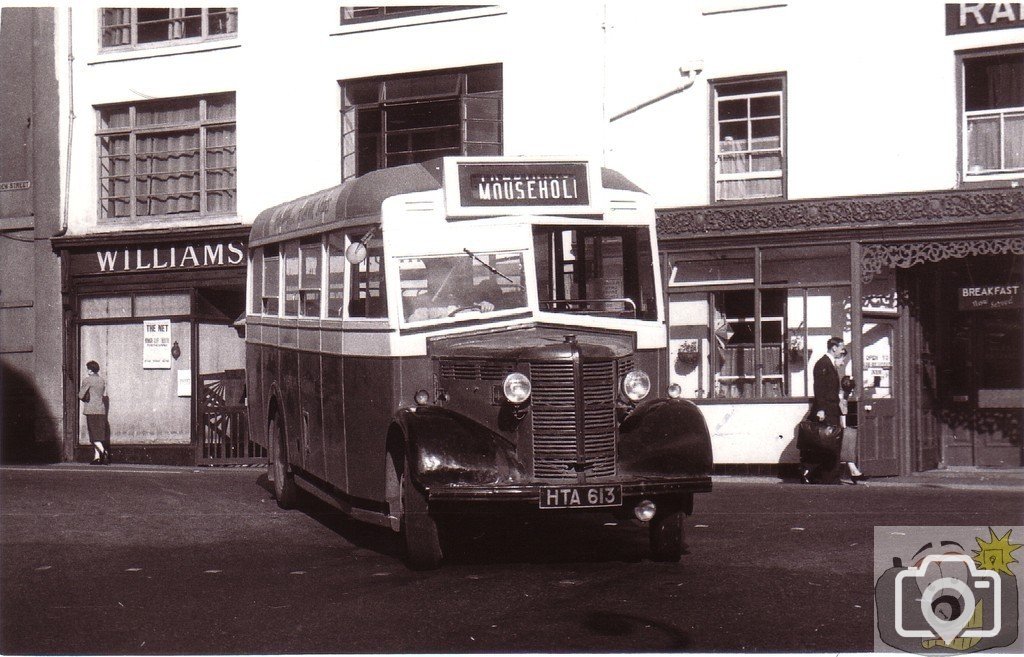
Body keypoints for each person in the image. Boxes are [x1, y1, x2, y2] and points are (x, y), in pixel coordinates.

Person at [801, 337, 845, 484]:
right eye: (841, 348)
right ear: (834, 348)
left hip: (832, 408)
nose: (841, 351)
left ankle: (828, 476)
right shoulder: (823, 364)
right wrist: (820, 409)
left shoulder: (829, 363)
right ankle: (820, 474)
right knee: (828, 443)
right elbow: (819, 388)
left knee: (830, 443)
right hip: (826, 409)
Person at [406, 258, 495, 321]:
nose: (447, 280)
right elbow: (413, 322)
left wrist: (486, 306)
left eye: (449, 276)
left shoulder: (463, 296)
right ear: (430, 277)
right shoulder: (422, 302)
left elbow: (475, 306)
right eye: (437, 274)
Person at [78, 360, 110, 465]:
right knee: (99, 435)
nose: (87, 370)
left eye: (88, 368)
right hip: (101, 410)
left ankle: (103, 452)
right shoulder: (101, 380)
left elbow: (80, 395)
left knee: (93, 436)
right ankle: (96, 458)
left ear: (91, 370)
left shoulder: (87, 380)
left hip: (91, 410)